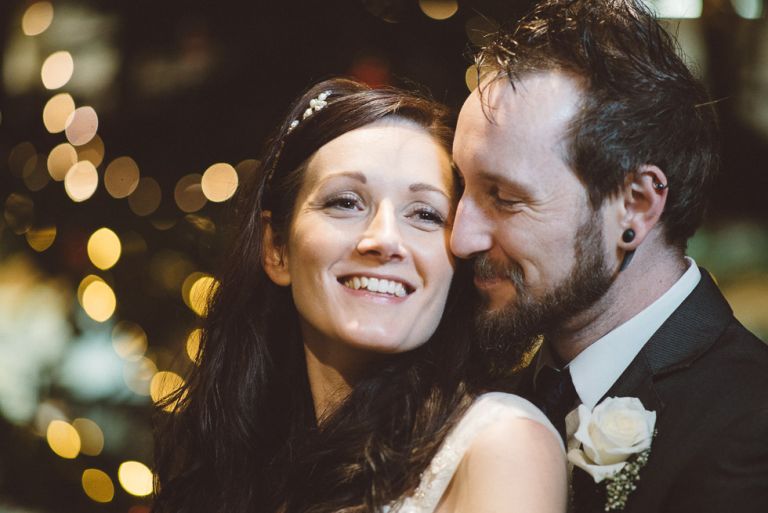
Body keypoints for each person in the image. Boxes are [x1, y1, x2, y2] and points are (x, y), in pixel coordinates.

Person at [152, 77, 567, 513]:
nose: (384, 240)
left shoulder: (499, 443)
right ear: (277, 249)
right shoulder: (235, 465)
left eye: (425, 214)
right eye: (346, 203)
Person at [450, 1, 768, 512]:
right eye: (459, 187)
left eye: (504, 198)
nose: (460, 238)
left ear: (635, 205)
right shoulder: (485, 394)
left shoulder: (749, 430)